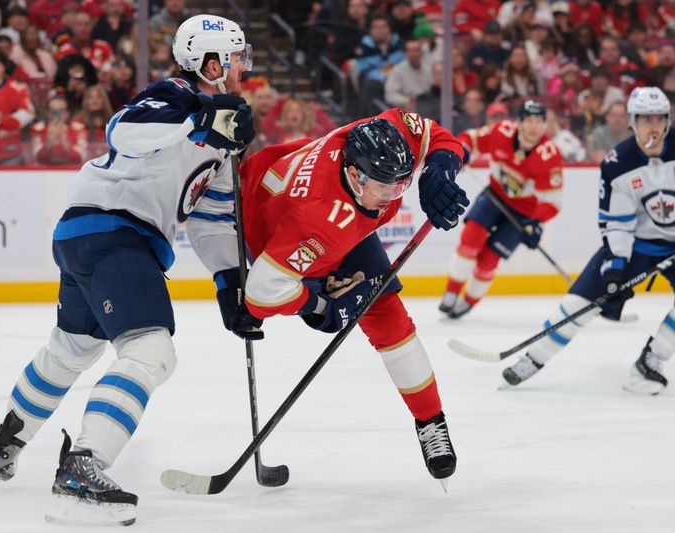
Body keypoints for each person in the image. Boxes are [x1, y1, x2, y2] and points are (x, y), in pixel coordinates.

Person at [0, 14, 255, 526]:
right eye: (235, 58)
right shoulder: (176, 93)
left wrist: (230, 282)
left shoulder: (223, 135)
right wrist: (203, 114)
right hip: (115, 232)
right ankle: (82, 471)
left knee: (72, 348)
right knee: (151, 350)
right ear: (212, 63)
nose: (242, 68)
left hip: (88, 235)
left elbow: (208, 221)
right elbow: (124, 129)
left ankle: (0, 447)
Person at [239, 110, 470, 485]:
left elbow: (432, 133)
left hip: (323, 213)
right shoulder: (315, 220)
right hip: (272, 231)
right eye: (386, 188)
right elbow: (261, 293)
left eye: (402, 186)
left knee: (388, 313)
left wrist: (437, 172)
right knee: (334, 314)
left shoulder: (386, 140)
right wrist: (313, 305)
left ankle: (430, 421)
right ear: (353, 174)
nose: (394, 198)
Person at [501, 87, 675, 394]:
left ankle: (652, 360)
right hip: (636, 244)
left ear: (667, 120)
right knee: (580, 302)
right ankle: (535, 356)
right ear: (633, 122)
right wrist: (616, 267)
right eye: (645, 118)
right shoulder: (617, 163)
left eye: (659, 118)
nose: (653, 126)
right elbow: (617, 222)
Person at [439, 99, 563, 318]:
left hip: (524, 212)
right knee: (471, 238)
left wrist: (535, 223)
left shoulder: (549, 155)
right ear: (519, 122)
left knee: (489, 259)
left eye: (539, 121)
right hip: (495, 195)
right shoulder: (501, 132)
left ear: (545, 125)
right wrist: (463, 151)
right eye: (529, 120)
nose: (534, 126)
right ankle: (451, 292)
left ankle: (469, 301)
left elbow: (553, 202)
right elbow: (470, 138)